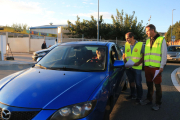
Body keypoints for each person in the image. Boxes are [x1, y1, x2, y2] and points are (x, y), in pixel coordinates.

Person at [141, 24, 167, 111]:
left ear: (152, 30)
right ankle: (149, 99)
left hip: (156, 68)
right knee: (149, 85)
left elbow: (164, 54)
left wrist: (162, 66)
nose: (146, 33)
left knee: (157, 86)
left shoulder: (161, 39)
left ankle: (158, 103)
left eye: (147, 31)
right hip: (148, 67)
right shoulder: (148, 40)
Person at [122, 32, 144, 104]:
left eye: (128, 38)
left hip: (137, 67)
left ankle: (139, 97)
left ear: (132, 37)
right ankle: (133, 95)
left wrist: (139, 63)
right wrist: (124, 61)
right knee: (131, 82)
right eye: (126, 39)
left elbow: (144, 56)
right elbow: (124, 54)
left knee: (138, 83)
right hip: (128, 67)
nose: (127, 40)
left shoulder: (140, 44)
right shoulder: (126, 44)